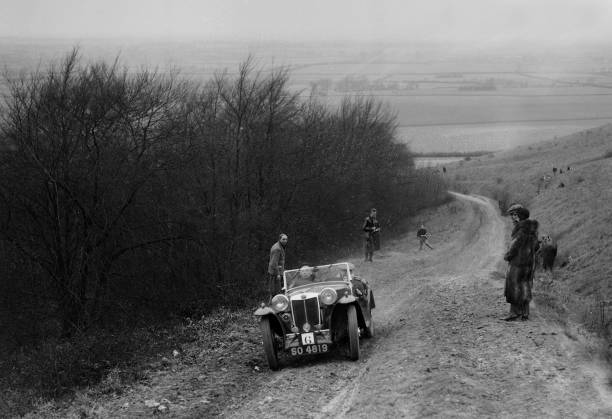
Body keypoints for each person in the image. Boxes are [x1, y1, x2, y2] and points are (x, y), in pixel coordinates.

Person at [503, 204, 539, 321]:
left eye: (514, 215)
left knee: (513, 286)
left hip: (517, 263)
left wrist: (508, 255)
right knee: (525, 285)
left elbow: (515, 245)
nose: (512, 218)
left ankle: (514, 313)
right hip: (528, 264)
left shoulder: (521, 229)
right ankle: (525, 313)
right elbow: (537, 246)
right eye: (512, 215)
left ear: (519, 216)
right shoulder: (532, 229)